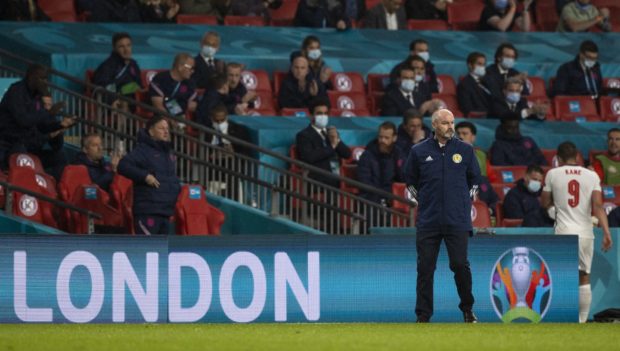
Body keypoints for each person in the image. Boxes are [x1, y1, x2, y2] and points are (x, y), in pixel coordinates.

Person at [404, 108, 480, 323]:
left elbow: (475, 179)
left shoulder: (465, 150)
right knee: (425, 268)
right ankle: (423, 315)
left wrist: (465, 200)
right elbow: (410, 180)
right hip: (429, 220)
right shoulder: (418, 151)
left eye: (452, 122)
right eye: (445, 123)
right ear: (435, 126)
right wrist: (424, 201)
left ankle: (468, 309)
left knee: (459, 265)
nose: (450, 127)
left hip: (457, 220)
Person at [541, 141, 613, 323]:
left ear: (558, 158)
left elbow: (545, 202)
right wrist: (607, 232)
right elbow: (597, 206)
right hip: (585, 232)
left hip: (563, 231)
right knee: (584, 276)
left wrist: (553, 210)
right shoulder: (592, 175)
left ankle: (560, 317)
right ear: (578, 156)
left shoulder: (552, 173)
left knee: (560, 274)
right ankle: (581, 321)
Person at [0, 64, 76, 177]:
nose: (45, 82)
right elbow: (23, 120)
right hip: (9, 145)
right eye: (42, 78)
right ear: (31, 77)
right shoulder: (16, 91)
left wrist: (60, 125)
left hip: (30, 146)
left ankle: (56, 191)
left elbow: (42, 127)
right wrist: (48, 113)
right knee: (21, 151)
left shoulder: (38, 97)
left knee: (59, 156)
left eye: (46, 78)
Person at [117, 116, 181, 235]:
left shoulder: (168, 153)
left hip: (165, 211)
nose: (166, 131)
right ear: (151, 131)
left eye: (167, 128)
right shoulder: (143, 150)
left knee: (162, 252)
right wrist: (145, 176)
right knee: (147, 250)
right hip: (148, 211)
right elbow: (123, 165)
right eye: (161, 128)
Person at [295, 97, 351, 189]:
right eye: (319, 113)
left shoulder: (330, 133)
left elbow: (347, 154)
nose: (323, 116)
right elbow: (309, 157)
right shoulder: (303, 135)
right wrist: (332, 147)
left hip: (337, 176)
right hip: (318, 179)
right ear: (311, 116)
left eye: (325, 113)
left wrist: (336, 140)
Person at [456, 121, 499, 214]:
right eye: (458, 134)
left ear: (473, 137)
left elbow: (491, 177)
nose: (461, 137)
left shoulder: (481, 155)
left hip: (481, 191)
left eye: (465, 133)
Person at [357, 121, 404, 204]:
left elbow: (403, 176)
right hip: (372, 199)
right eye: (380, 137)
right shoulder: (367, 155)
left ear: (394, 138)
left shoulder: (398, 153)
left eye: (386, 138)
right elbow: (364, 181)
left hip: (392, 196)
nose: (382, 140)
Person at [92, 32, 143, 103]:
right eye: (121, 47)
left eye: (128, 45)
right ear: (114, 48)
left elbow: (138, 85)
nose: (126, 50)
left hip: (132, 101)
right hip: (112, 102)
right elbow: (102, 87)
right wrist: (121, 92)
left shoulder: (133, 64)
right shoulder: (108, 66)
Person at [149, 53, 198, 117]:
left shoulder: (190, 83)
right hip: (161, 119)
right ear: (180, 67)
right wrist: (171, 120)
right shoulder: (160, 79)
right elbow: (158, 106)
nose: (192, 71)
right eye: (191, 68)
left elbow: (193, 105)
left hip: (181, 118)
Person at [457, 52, 492, 117]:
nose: (482, 67)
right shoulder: (464, 85)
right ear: (470, 65)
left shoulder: (490, 81)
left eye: (484, 64)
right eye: (479, 64)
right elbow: (467, 108)